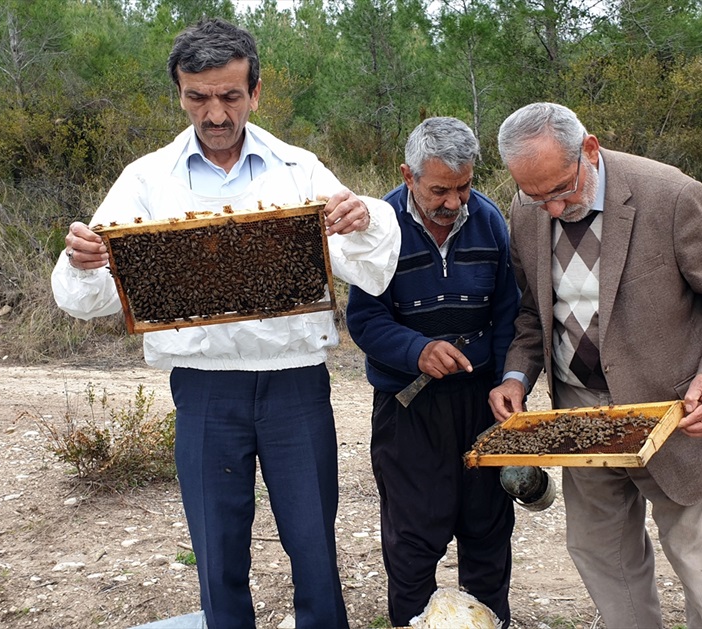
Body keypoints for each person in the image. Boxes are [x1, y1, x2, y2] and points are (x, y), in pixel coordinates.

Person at [51, 18, 400, 629]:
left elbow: (372, 268)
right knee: (216, 550)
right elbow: (87, 296)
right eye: (198, 97)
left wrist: (365, 216)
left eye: (230, 96)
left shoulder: (299, 169)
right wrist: (83, 262)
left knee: (314, 544)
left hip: (296, 385)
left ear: (256, 92)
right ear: (179, 93)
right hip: (204, 387)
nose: (215, 114)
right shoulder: (145, 180)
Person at [489, 102, 702, 628]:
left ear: (589, 149)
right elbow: (532, 311)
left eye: (561, 190)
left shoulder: (673, 196)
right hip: (579, 415)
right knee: (602, 555)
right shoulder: (525, 210)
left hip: (674, 416)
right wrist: (515, 375)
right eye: (534, 194)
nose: (550, 208)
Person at [345, 117, 519, 628]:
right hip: (409, 405)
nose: (454, 201)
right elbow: (365, 319)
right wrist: (417, 349)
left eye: (463, 187)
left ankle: (489, 621)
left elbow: (509, 313)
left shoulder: (489, 221)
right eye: (440, 189)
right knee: (414, 534)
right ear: (408, 175)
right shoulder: (379, 226)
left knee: (487, 529)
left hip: (482, 404)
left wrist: (510, 379)